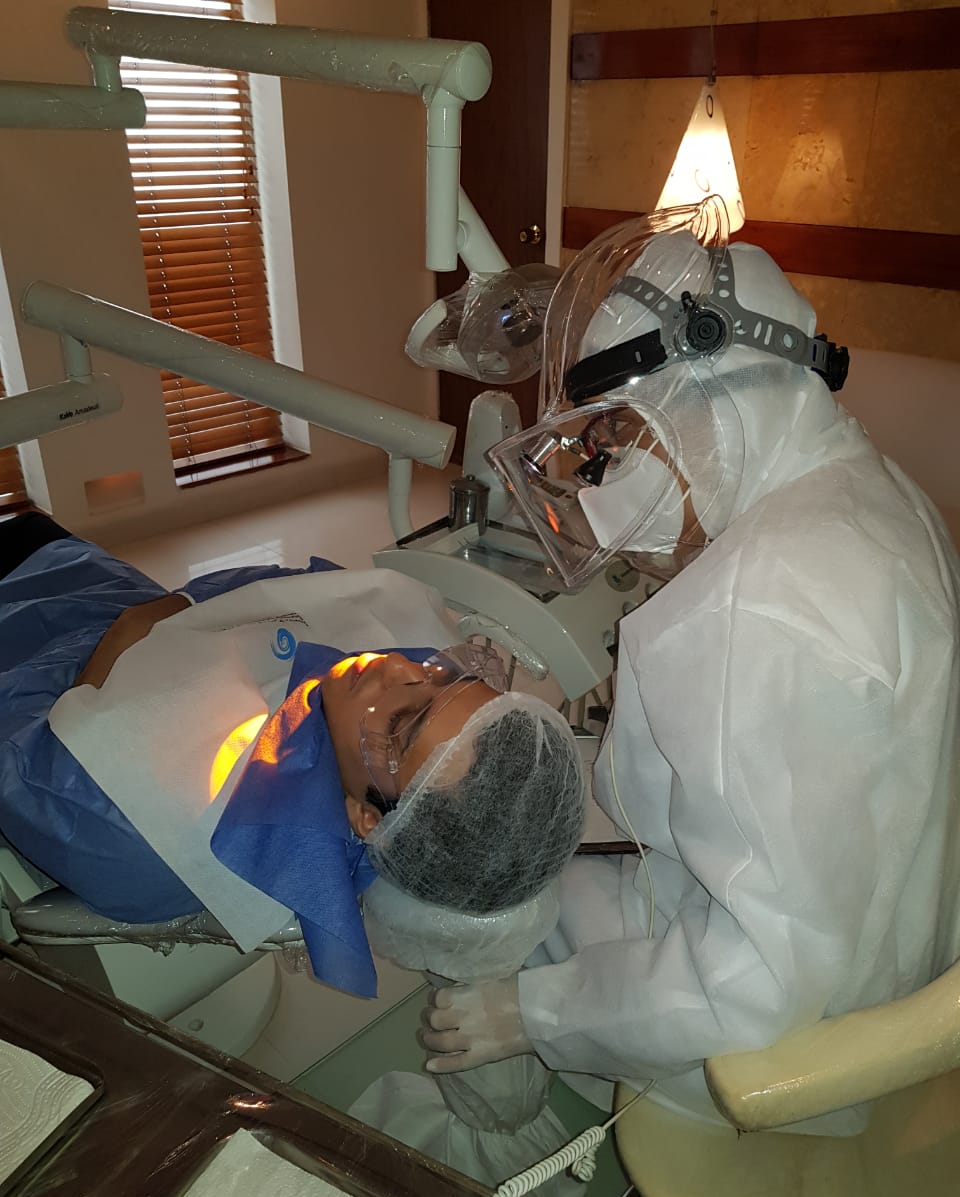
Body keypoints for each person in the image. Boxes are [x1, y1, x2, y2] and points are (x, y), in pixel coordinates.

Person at [420, 202, 960, 1134]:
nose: (599, 486)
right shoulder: (873, 490)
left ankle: (493, 1150)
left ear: (722, 392)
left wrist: (532, 1014)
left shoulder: (757, 610)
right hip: (895, 954)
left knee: (486, 903)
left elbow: (752, 985)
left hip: (789, 1058)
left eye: (620, 439)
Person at [0, 513, 586, 995]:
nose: (397, 667)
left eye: (402, 724)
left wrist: (137, 633)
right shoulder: (401, 669)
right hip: (67, 567)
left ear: (368, 817)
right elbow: (277, 592)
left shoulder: (139, 833)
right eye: (448, 679)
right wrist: (146, 626)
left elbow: (23, 752)